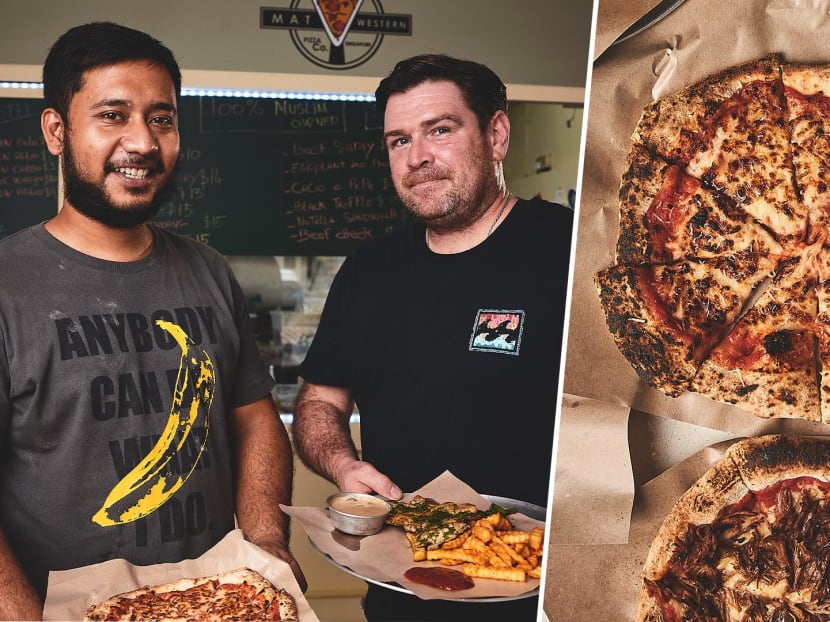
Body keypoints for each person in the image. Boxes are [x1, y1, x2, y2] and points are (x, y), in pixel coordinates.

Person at [0, 22, 305, 619]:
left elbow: (254, 418)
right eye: (113, 115)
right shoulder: (9, 282)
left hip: (216, 601)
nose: (143, 142)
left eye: (161, 118)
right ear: (56, 130)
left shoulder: (208, 270)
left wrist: (265, 538)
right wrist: (18, 610)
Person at [292, 54, 574, 621]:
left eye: (440, 130)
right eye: (398, 141)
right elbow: (319, 402)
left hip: (546, 593)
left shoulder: (571, 253)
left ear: (496, 134)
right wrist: (344, 466)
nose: (417, 157)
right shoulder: (367, 269)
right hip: (401, 587)